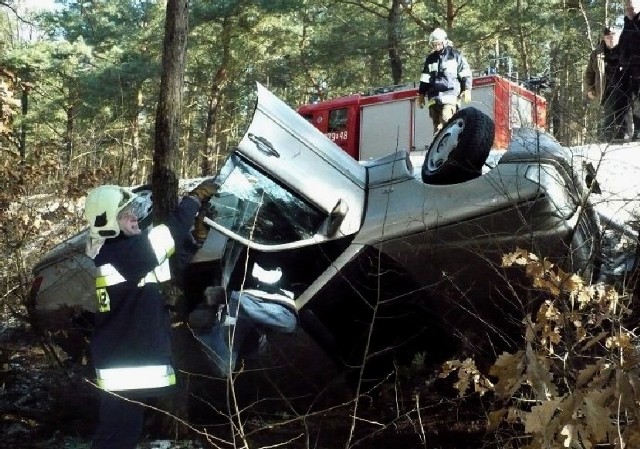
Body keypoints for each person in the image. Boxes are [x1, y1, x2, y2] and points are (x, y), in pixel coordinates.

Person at [83, 179, 218, 449]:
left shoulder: (124, 255)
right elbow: (168, 233)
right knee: (116, 437)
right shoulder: (121, 253)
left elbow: (167, 266)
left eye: (133, 210)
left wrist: (195, 240)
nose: (134, 216)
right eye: (125, 213)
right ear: (108, 220)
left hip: (122, 356)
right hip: (122, 360)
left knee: (122, 434)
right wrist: (193, 200)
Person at [196, 257, 298, 378]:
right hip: (247, 301)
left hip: (239, 310)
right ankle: (217, 310)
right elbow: (288, 322)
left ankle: (205, 327)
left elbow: (288, 323)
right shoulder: (254, 262)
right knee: (288, 322)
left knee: (224, 368)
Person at [417, 28, 473, 134]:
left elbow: (465, 73)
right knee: (437, 128)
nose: (436, 46)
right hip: (434, 99)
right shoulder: (430, 59)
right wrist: (421, 94)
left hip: (450, 96)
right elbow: (425, 79)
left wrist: (467, 89)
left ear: (444, 41)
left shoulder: (455, 55)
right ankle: (440, 148)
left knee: (446, 124)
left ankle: (450, 147)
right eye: (434, 44)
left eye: (438, 43)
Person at [584, 26, 632, 142]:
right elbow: (589, 73)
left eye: (613, 37)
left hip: (625, 88)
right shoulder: (597, 54)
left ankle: (625, 138)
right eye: (608, 37)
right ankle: (606, 141)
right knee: (609, 116)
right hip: (607, 89)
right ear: (604, 38)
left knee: (625, 115)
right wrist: (589, 89)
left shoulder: (626, 50)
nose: (611, 39)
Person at [618, 0, 640, 140]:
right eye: (627, 8)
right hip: (628, 71)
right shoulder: (626, 24)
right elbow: (621, 46)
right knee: (628, 101)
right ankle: (629, 132)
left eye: (631, 8)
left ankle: (638, 130)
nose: (629, 11)